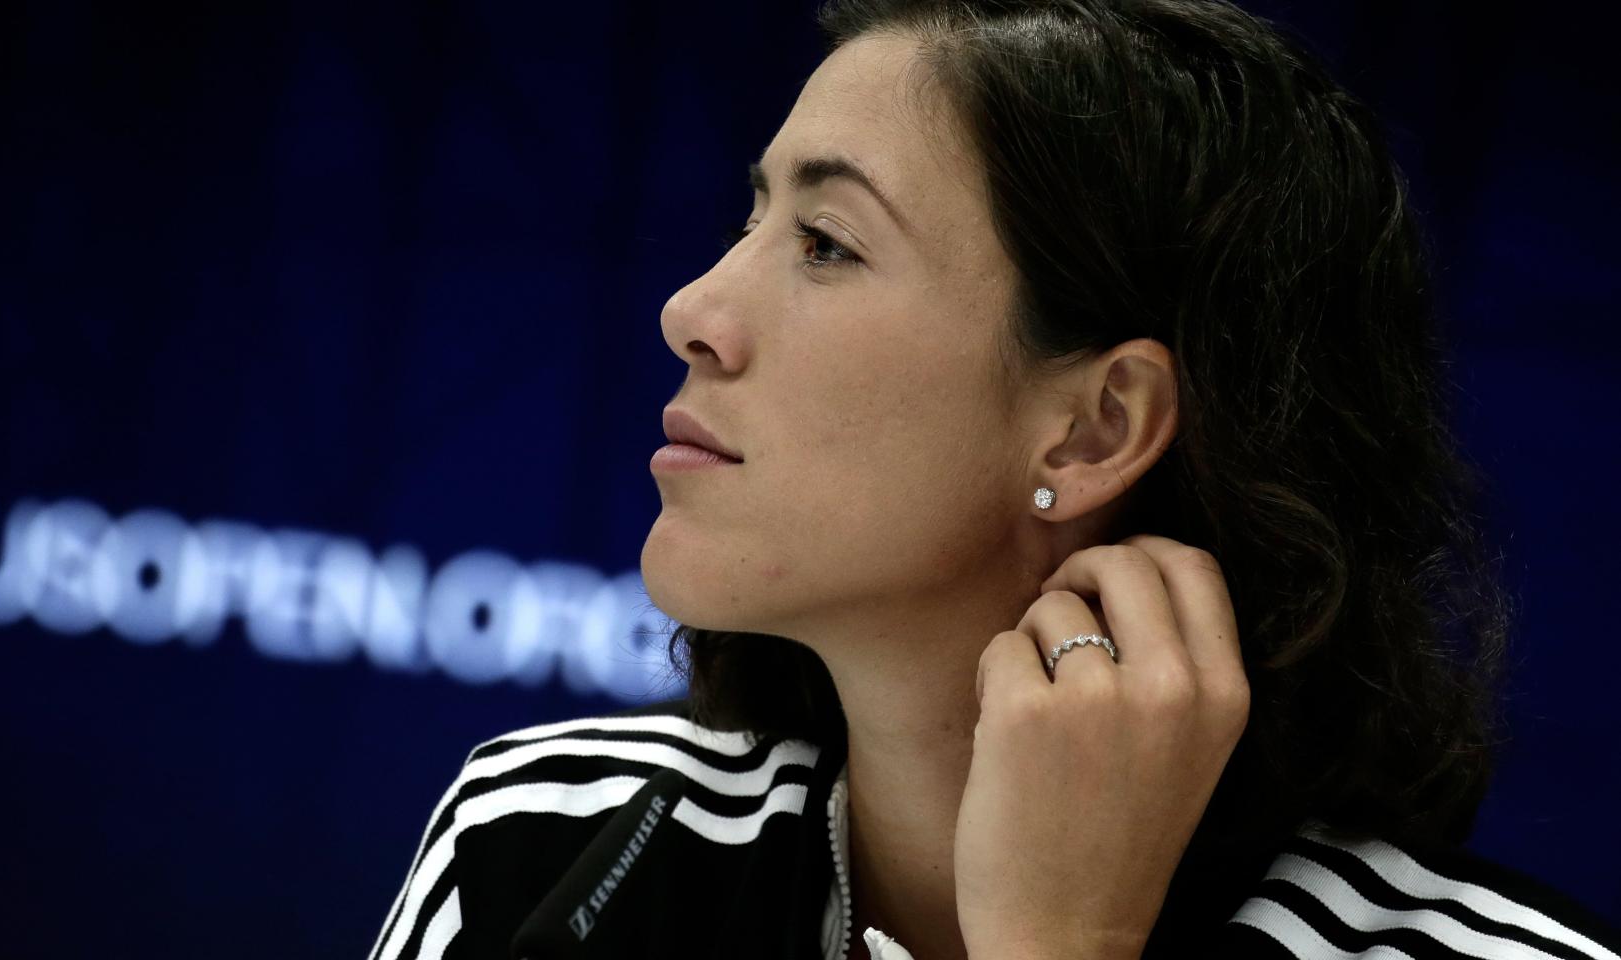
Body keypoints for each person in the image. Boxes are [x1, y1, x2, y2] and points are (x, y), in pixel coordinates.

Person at [368, 1, 1621, 957]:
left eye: (824, 242)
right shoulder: (536, 839)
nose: (689, 311)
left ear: (1094, 430)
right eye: (749, 220)